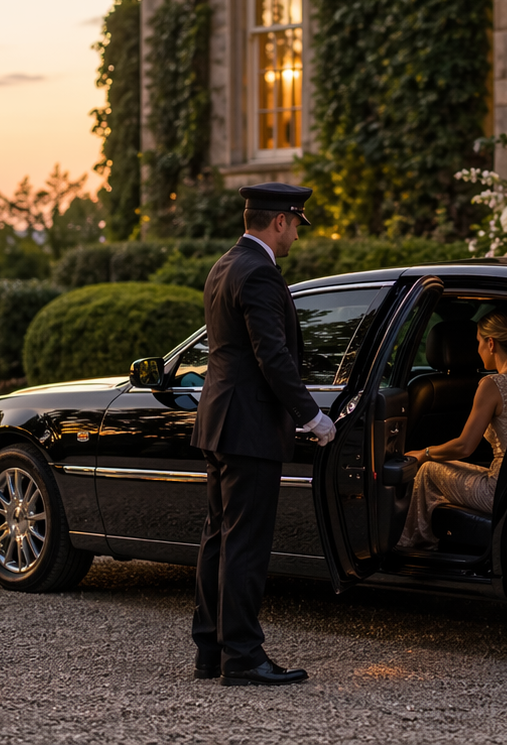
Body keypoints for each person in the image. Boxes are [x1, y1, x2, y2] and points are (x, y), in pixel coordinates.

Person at [190, 182, 337, 687]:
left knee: (219, 539)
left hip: (220, 422)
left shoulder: (225, 265)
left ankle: (211, 650)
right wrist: (312, 416)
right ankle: (243, 657)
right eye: (296, 224)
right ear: (279, 221)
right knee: (245, 545)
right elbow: (270, 354)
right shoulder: (260, 273)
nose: (296, 234)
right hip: (249, 428)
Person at [396, 311, 507, 550]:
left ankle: (414, 547)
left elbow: (464, 447)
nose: (477, 349)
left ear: (491, 343)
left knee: (428, 470)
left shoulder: (492, 384)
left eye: (478, 342)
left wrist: (424, 453)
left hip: (498, 490)